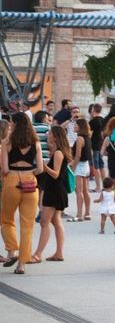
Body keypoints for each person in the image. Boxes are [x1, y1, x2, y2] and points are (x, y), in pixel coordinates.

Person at [1, 114, 44, 273]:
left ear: (15, 124)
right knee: (27, 226)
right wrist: (28, 172)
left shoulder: (6, 143)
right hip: (30, 183)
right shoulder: (36, 142)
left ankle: (12, 249)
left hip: (12, 180)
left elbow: (4, 169)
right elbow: (40, 168)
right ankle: (22, 264)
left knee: (6, 219)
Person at [33, 125, 72, 263]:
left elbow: (56, 174)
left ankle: (38, 253)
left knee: (45, 222)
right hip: (55, 190)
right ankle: (59, 252)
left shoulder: (58, 153)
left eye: (50, 134)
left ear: (55, 137)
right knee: (55, 221)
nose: (47, 135)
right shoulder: (57, 152)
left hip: (55, 190)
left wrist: (44, 166)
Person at [71, 118, 93, 222]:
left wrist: (72, 168)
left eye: (76, 125)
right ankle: (87, 213)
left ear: (80, 127)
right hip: (86, 164)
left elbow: (78, 155)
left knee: (78, 190)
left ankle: (79, 214)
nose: (74, 127)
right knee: (85, 190)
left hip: (79, 165)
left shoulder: (79, 138)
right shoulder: (87, 137)